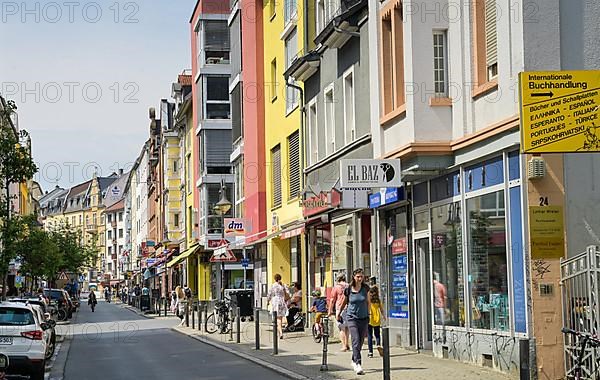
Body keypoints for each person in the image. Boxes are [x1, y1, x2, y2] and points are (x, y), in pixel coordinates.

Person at [338, 268, 370, 375]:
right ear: (354, 277)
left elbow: (368, 302)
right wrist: (338, 313)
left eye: (361, 276)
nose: (360, 279)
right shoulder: (348, 289)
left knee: (360, 342)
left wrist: (369, 314)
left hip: (364, 317)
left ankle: (353, 359)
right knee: (355, 340)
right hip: (352, 317)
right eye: (358, 277)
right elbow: (344, 302)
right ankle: (358, 364)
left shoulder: (366, 288)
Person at [328, 273, 350, 351]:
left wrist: (330, 310)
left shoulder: (336, 287)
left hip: (340, 308)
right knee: (347, 328)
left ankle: (344, 346)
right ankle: (347, 344)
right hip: (349, 308)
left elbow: (332, 299)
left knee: (341, 328)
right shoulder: (348, 286)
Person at [267, 273, 289, 339]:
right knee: (280, 318)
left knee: (277, 319)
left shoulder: (273, 286)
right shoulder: (283, 285)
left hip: (275, 302)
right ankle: (280, 332)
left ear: (275, 279)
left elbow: (269, 294)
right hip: (282, 302)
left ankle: (280, 332)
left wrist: (268, 301)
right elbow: (288, 294)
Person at [367, 286, 385, 358]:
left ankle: (370, 352)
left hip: (370, 318)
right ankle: (378, 344)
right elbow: (381, 309)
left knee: (369, 336)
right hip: (377, 318)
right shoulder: (378, 300)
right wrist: (384, 316)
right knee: (377, 334)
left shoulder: (368, 300)